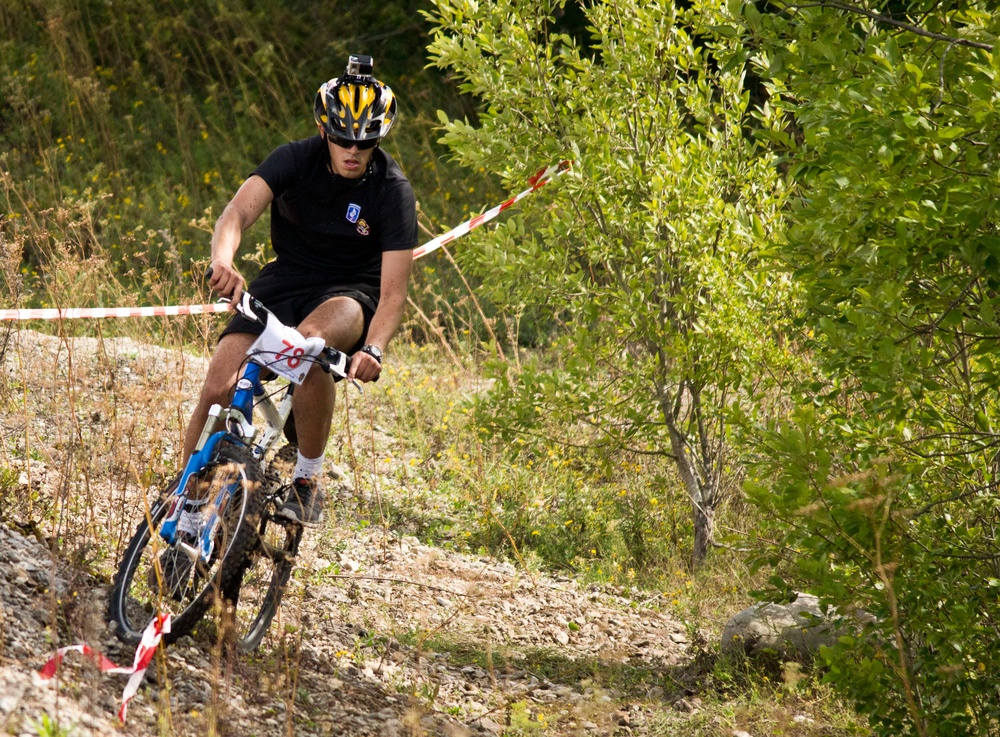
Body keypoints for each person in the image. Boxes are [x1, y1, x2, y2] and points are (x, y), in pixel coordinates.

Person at [182, 54, 417, 525]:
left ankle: (307, 479)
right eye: (342, 140)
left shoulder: (392, 191)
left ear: (378, 139)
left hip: (350, 293)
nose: (352, 151)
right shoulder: (293, 158)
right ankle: (185, 495)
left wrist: (375, 347)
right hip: (285, 279)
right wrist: (222, 260)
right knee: (216, 389)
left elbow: (392, 295)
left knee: (309, 345)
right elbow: (237, 213)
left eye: (365, 142)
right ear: (324, 131)